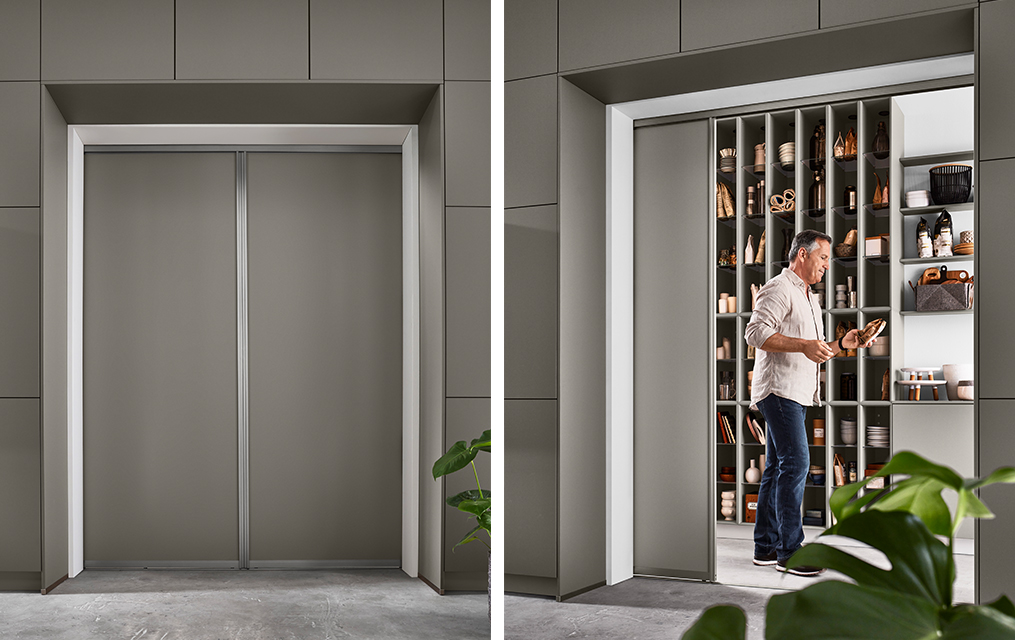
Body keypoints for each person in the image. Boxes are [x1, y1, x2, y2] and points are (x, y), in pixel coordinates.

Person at [744, 229, 871, 576]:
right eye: (823, 258)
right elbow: (755, 333)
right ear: (802, 255)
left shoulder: (809, 298)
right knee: (797, 464)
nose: (827, 266)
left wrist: (842, 343)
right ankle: (790, 552)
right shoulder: (779, 288)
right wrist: (803, 345)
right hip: (778, 391)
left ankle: (765, 547)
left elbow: (814, 350)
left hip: (797, 393)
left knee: (775, 468)